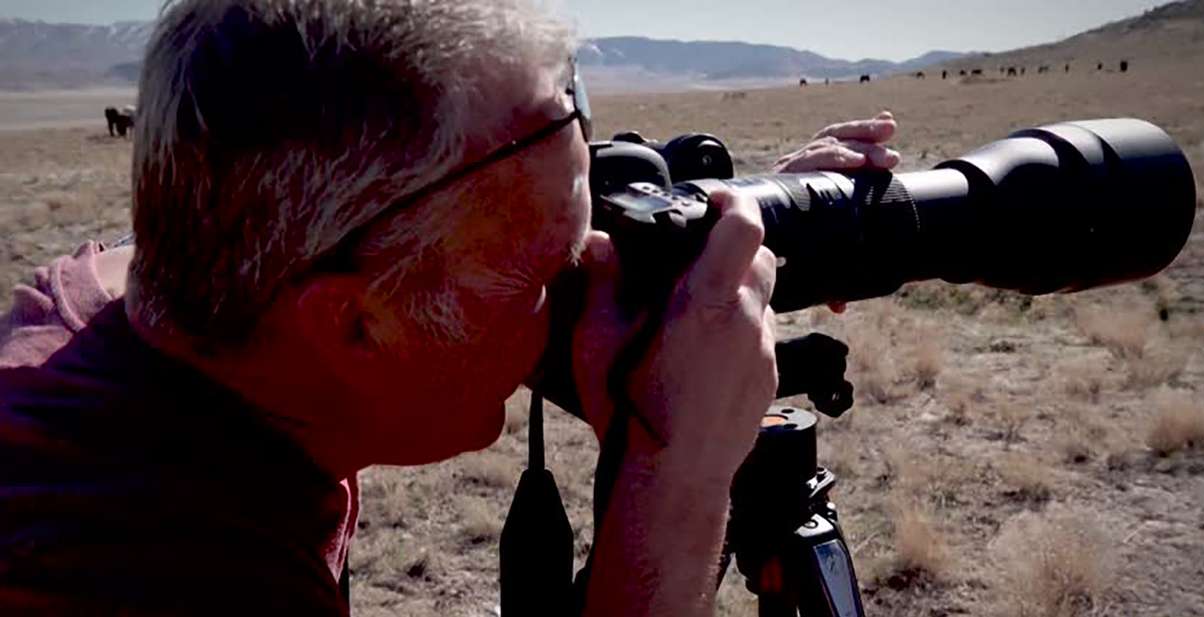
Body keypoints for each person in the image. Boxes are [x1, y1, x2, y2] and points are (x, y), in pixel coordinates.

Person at [0, 1, 900, 614]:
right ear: (355, 324)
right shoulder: (124, 574)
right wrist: (676, 485)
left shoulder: (159, 303)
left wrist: (743, 219)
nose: (579, 287)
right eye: (545, 272)